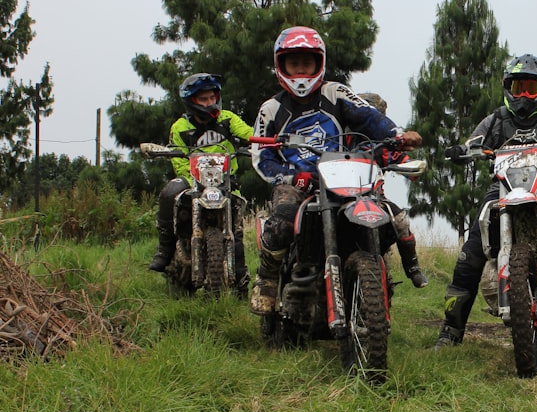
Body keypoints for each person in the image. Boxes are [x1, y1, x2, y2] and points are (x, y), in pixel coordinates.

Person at [249, 26, 422, 316]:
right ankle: (266, 278)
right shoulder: (271, 108)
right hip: (296, 183)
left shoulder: (336, 93)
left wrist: (399, 135)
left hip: (341, 177)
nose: (302, 69)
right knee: (281, 223)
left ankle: (377, 274)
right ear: (282, 65)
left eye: (307, 62)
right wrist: (291, 176)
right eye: (294, 62)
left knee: (387, 216)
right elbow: (261, 156)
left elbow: (370, 118)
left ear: (320, 62)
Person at [434, 53, 537, 348]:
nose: (525, 96)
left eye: (531, 88)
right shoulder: (495, 120)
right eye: (519, 88)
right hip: (500, 191)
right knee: (470, 255)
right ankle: (451, 329)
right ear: (507, 88)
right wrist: (461, 150)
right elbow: (473, 143)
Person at [149, 73, 254, 294]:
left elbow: (249, 134)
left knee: (235, 231)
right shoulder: (180, 127)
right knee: (169, 192)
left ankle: (241, 279)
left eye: (212, 97)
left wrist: (260, 141)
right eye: (203, 99)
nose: (209, 103)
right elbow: (177, 158)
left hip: (226, 182)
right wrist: (190, 176)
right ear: (191, 101)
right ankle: (165, 249)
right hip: (193, 181)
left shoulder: (227, 118)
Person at [355, 91, 427, 288]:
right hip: (341, 197)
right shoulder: (339, 140)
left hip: (375, 199)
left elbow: (401, 160)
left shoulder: (381, 146)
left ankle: (413, 267)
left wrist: (411, 167)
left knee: (401, 221)